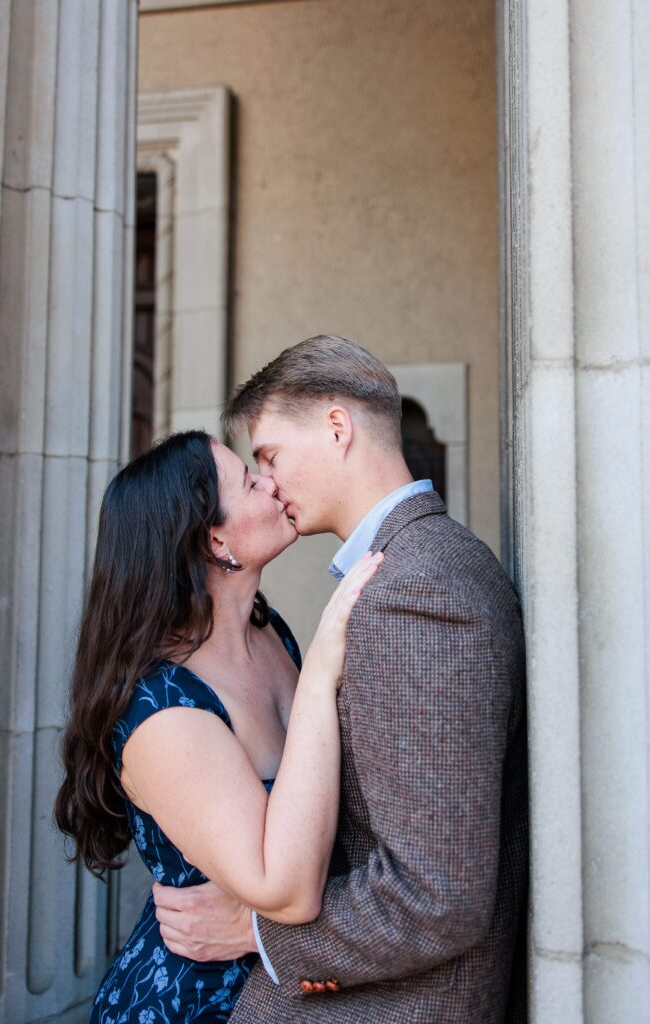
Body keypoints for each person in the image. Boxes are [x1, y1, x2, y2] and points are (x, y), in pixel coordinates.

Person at [152, 335, 528, 1023]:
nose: (268, 482)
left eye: (268, 455)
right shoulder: (415, 569)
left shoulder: (416, 590)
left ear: (336, 427)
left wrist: (256, 933)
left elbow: (436, 896)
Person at [54, 429, 382, 1024]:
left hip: (287, 990)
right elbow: (286, 887)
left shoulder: (267, 628)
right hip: (195, 1005)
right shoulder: (164, 708)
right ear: (214, 539)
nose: (271, 482)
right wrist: (320, 675)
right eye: (249, 480)